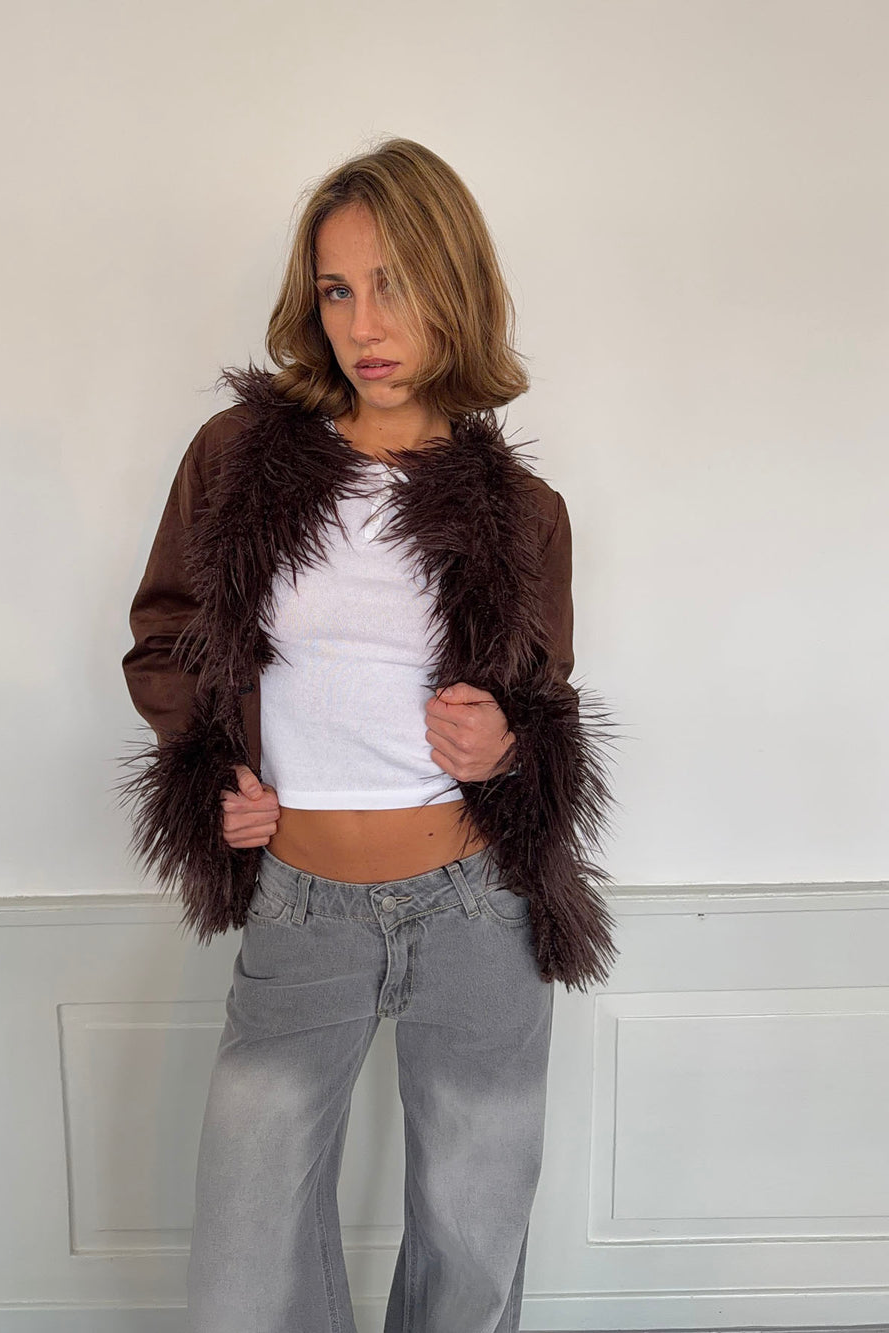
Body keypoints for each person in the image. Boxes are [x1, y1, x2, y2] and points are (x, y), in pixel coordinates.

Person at [120, 137, 616, 1333]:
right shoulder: (237, 460)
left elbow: (541, 701)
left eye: (393, 284)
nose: (362, 326)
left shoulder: (524, 512)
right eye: (337, 290)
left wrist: (507, 747)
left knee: (470, 1254)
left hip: (476, 907)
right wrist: (215, 774)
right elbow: (166, 637)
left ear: (456, 286)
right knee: (245, 1274)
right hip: (302, 904)